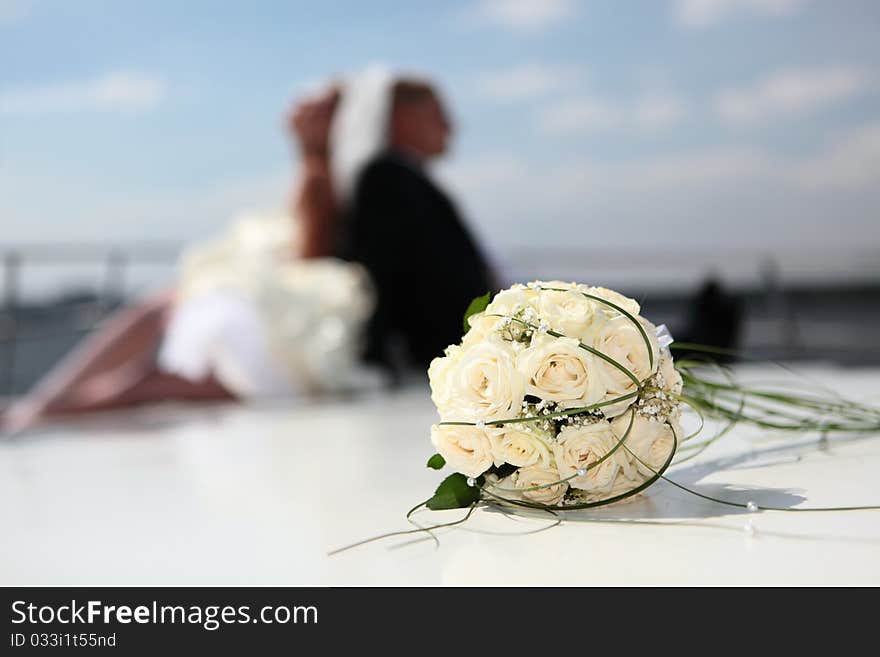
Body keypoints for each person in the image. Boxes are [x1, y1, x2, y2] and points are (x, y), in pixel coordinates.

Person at [1, 69, 494, 432]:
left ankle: (39, 409)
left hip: (312, 329)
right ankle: (41, 410)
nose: (450, 125)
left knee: (157, 371)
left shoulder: (350, 178)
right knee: (158, 370)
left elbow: (333, 259)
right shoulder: (369, 179)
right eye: (437, 113)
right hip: (311, 329)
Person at [333, 75, 493, 370]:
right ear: (401, 119)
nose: (450, 127)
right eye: (438, 115)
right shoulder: (385, 179)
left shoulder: (406, 177)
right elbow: (386, 272)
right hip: (433, 357)